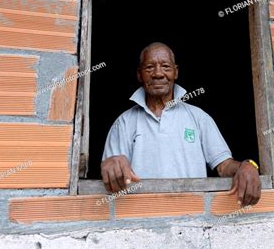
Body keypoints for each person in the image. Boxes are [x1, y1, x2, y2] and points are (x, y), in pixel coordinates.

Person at [101, 42, 261, 206]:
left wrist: (247, 166)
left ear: (175, 72)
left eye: (165, 66)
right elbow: (112, 174)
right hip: (142, 216)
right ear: (139, 74)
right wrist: (110, 164)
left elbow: (224, 166)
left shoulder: (199, 117)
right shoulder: (124, 122)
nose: (158, 74)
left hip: (193, 215)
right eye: (149, 67)